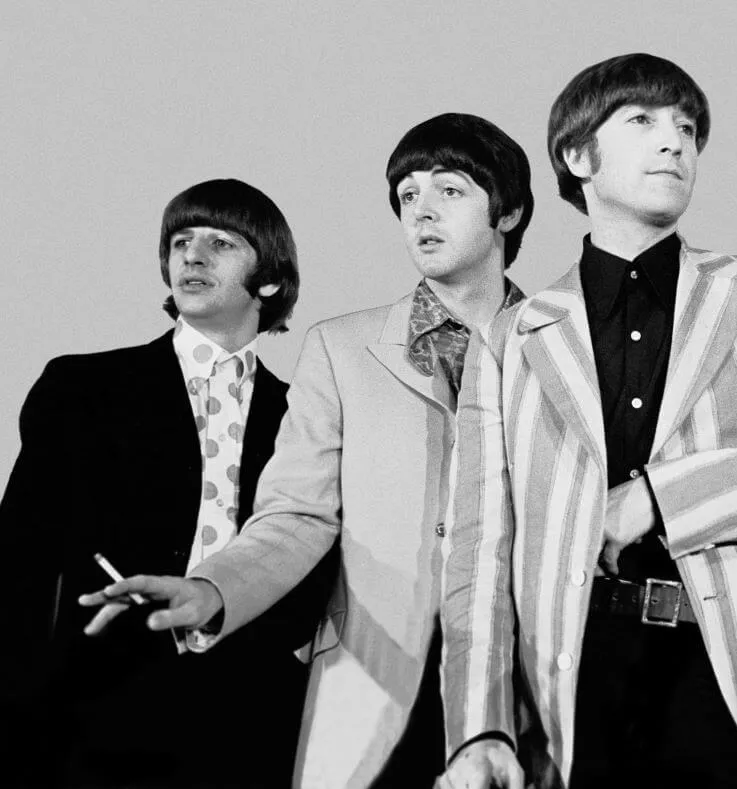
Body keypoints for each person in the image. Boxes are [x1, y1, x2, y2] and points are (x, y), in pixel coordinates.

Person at [438, 53, 737, 789]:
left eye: (687, 127)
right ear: (578, 157)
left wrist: (657, 497)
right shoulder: (509, 339)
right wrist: (479, 729)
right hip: (577, 698)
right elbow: (479, 555)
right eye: (642, 120)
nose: (675, 141)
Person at [80, 113, 533, 789]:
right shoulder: (341, 349)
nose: (422, 210)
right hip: (370, 682)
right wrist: (212, 590)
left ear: (509, 211)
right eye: (408, 195)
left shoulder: (567, 348)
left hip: (525, 682)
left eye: (449, 190)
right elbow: (296, 515)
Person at [0, 178, 325, 788]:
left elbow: (314, 559)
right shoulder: (83, 388)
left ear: (270, 281)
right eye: (181, 241)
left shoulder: (304, 413)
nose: (192, 255)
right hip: (95, 712)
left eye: (221, 243)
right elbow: (20, 564)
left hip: (253, 719)